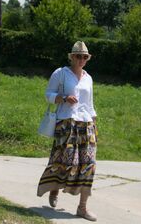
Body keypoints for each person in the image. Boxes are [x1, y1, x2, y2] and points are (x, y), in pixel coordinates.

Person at [37, 41, 98, 221]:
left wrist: (94, 124)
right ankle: (55, 188)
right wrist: (63, 98)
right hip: (66, 123)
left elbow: (90, 103)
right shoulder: (61, 73)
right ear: (71, 57)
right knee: (66, 161)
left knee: (89, 164)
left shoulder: (88, 78)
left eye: (84, 57)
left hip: (86, 124)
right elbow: (48, 94)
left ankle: (82, 207)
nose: (81, 59)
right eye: (78, 56)